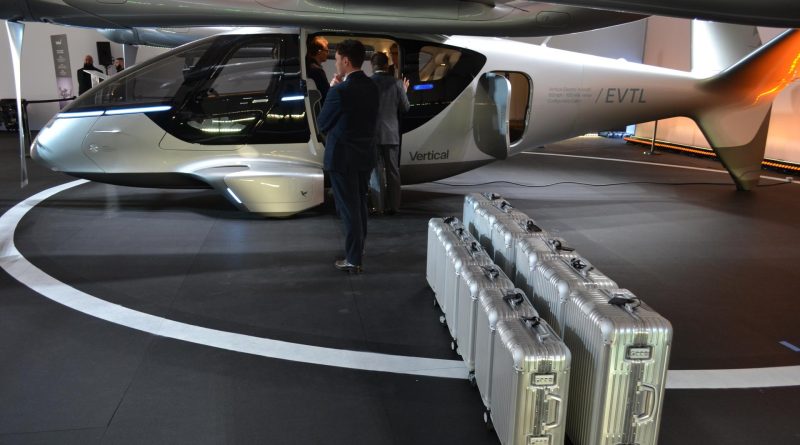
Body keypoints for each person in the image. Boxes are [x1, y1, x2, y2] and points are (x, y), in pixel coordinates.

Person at [317, 40, 379, 273]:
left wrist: (331, 89)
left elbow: (323, 123)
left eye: (336, 60)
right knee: (360, 204)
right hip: (365, 154)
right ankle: (358, 250)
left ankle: (353, 259)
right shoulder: (372, 86)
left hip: (342, 157)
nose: (335, 64)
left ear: (345, 61)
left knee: (349, 209)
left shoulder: (340, 91)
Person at [369, 51, 409, 215]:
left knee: (375, 172)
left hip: (373, 134)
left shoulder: (368, 83)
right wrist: (404, 90)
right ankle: (394, 206)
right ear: (386, 65)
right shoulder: (397, 83)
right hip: (391, 134)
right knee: (393, 171)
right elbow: (405, 108)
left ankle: (378, 207)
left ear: (372, 65)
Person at [305, 36, 330, 103]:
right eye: (326, 51)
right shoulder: (317, 71)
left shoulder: (309, 66)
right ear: (319, 52)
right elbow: (326, 93)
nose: (328, 53)